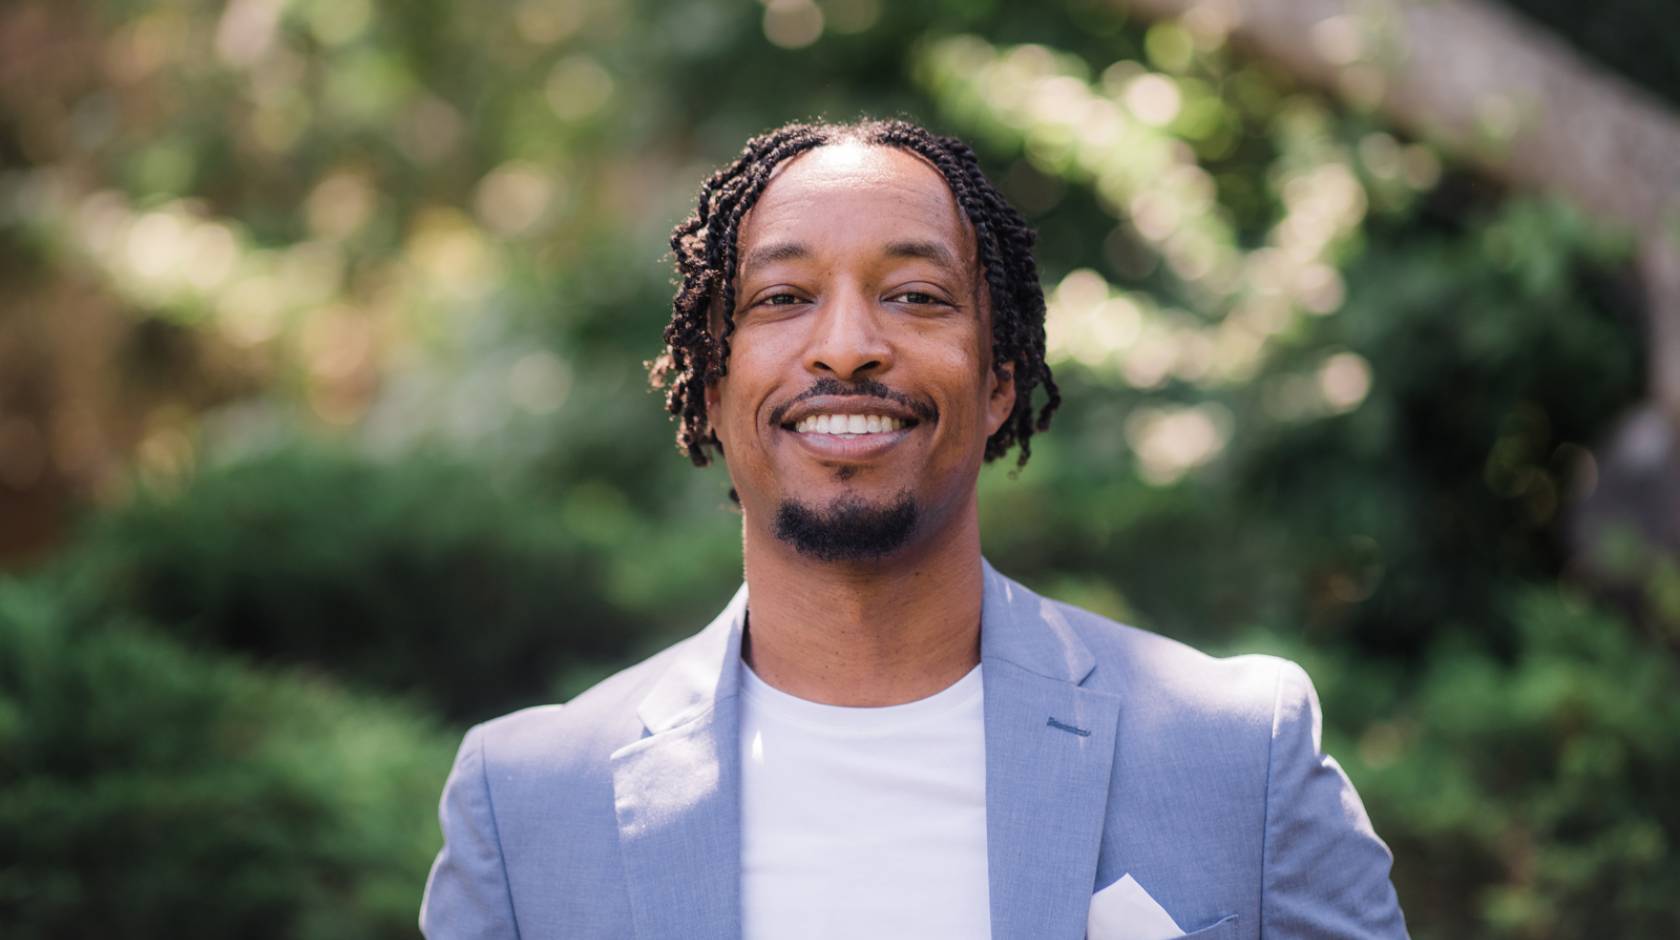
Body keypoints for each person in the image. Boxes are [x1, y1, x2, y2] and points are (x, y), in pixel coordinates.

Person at [419, 118, 1408, 940]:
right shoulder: (527, 804)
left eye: (916, 296)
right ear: (713, 392)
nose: (847, 347)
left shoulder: (1239, 755)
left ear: (996, 385)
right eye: (784, 298)